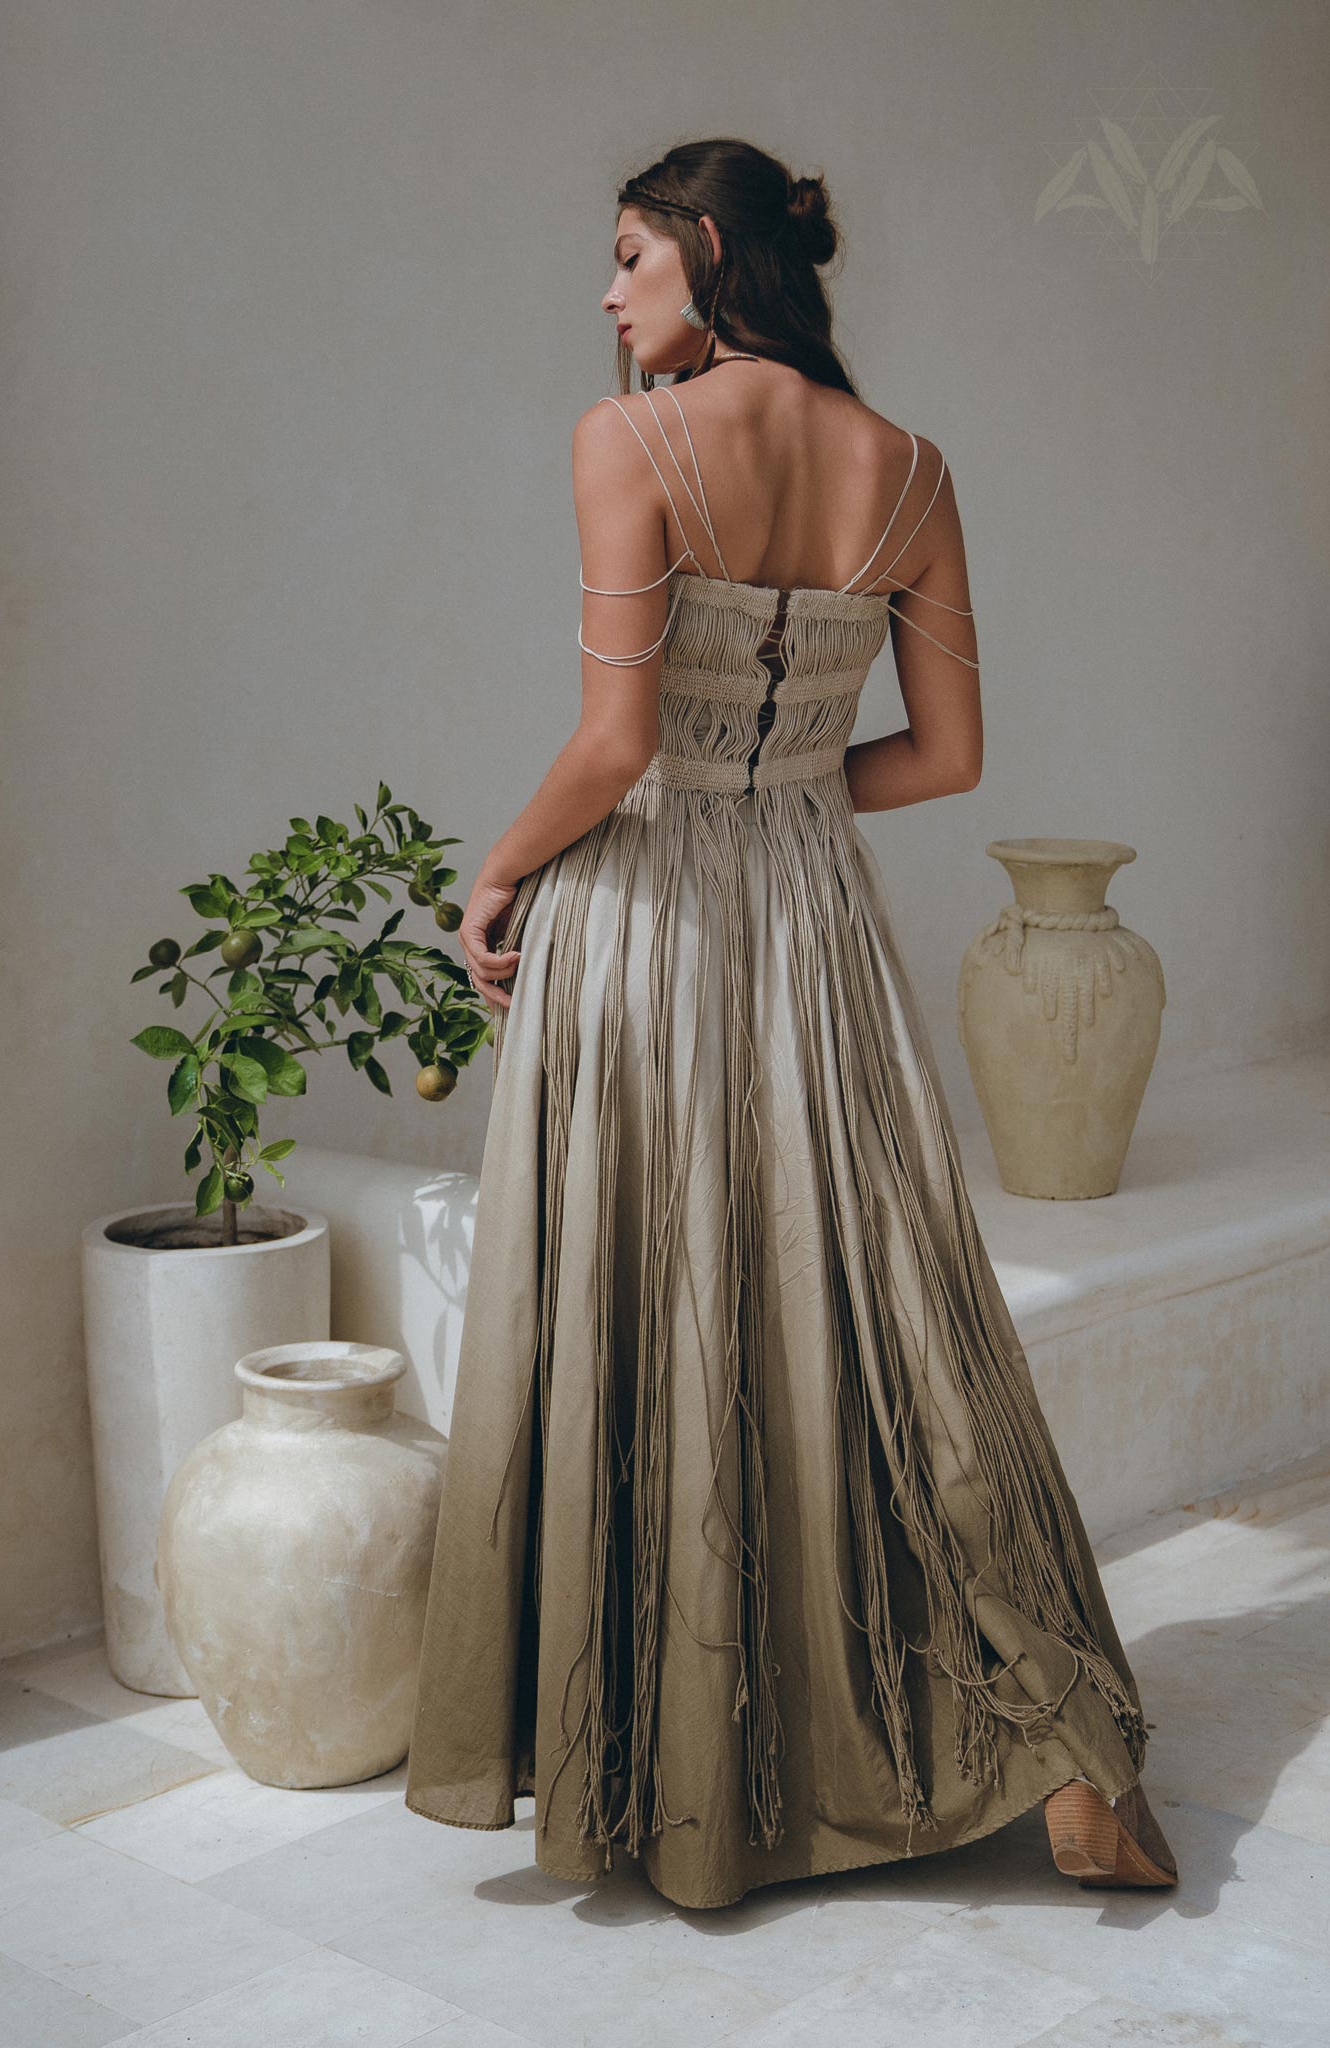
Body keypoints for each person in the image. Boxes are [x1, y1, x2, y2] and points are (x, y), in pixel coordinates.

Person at [404, 136, 1178, 1911]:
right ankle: (1059, 1748)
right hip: (813, 923)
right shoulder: (907, 468)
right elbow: (950, 757)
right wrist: (797, 798)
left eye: (624, 257)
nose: (605, 298)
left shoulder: (629, 440)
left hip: (652, 912)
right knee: (880, 1308)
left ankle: (689, 1777)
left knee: (656, 1295)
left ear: (703, 253)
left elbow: (613, 750)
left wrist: (494, 876)